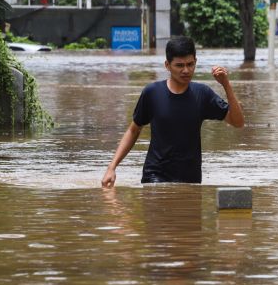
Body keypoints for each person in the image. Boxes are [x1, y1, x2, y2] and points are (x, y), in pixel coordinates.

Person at [101, 37, 244, 187]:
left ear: (196, 61)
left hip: (191, 179)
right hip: (154, 177)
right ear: (167, 65)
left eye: (190, 64)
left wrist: (226, 84)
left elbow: (238, 122)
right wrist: (112, 167)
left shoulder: (202, 94)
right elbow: (134, 130)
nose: (186, 70)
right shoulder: (152, 93)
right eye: (179, 65)